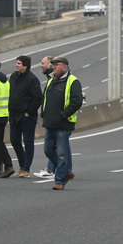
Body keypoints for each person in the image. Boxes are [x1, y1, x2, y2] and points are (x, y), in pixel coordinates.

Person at [42, 56, 83, 190]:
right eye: (53, 65)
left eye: (56, 65)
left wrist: (64, 114)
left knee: (61, 153)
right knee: (48, 150)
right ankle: (65, 171)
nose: (54, 67)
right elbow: (45, 99)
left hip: (63, 124)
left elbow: (77, 101)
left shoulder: (73, 81)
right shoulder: (51, 81)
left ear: (64, 67)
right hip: (50, 122)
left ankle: (60, 180)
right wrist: (44, 113)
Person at [8, 55, 41, 177]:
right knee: (14, 140)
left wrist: (29, 112)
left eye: (19, 63)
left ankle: (26, 168)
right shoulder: (13, 76)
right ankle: (22, 165)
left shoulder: (32, 79)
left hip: (26, 116)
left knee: (28, 142)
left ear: (25, 66)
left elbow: (38, 98)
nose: (16, 65)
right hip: (14, 115)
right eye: (16, 63)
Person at [32, 56, 58, 178]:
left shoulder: (56, 79)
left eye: (43, 63)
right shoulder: (49, 79)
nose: (41, 66)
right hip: (50, 117)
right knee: (52, 146)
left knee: (54, 146)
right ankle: (54, 169)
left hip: (57, 119)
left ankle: (54, 170)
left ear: (51, 64)